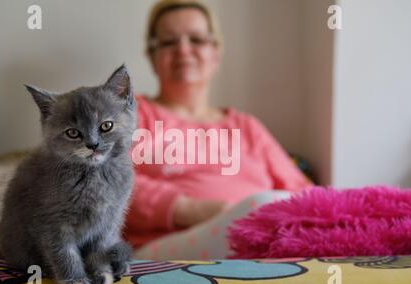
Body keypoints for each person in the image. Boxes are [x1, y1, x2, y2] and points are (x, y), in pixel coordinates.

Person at [123, 0, 312, 259]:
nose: (183, 49)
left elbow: (302, 192)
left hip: (262, 235)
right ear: (152, 57)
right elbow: (98, 181)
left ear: (216, 54)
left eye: (197, 40)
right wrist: (191, 209)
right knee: (263, 209)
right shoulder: (132, 113)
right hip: (163, 249)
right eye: (168, 42)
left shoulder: (246, 126)